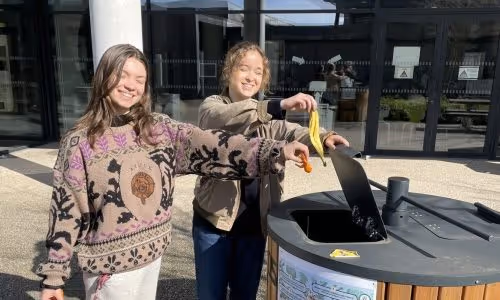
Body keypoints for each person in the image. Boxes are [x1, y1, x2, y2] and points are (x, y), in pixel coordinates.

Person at [35, 44, 310, 300]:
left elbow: (214, 146)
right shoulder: (80, 142)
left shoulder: (158, 130)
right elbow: (65, 211)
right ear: (103, 75)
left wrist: (275, 152)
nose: (131, 85)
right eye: (122, 75)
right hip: (110, 268)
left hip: (152, 258)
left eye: (139, 80)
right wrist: (54, 277)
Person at [192, 41, 350, 300]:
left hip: (254, 226)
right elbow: (223, 118)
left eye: (258, 72)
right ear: (228, 72)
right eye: (244, 68)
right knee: (210, 294)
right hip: (213, 224)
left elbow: (293, 132)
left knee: (246, 294)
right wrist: (279, 105)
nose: (251, 76)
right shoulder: (211, 106)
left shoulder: (269, 121)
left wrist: (323, 137)